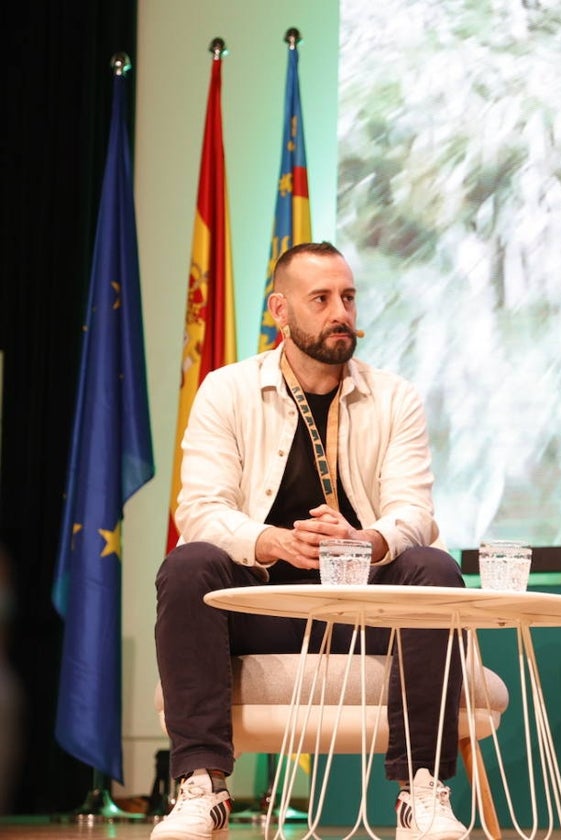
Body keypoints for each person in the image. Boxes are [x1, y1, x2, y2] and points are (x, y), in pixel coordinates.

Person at [153, 241, 467, 840]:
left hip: (360, 606)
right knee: (189, 564)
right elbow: (199, 509)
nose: (339, 312)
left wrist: (366, 540)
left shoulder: (395, 397)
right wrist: (270, 542)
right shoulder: (227, 390)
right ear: (280, 310)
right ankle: (202, 786)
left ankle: (421, 790)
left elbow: (415, 513)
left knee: (433, 566)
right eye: (320, 299)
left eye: (347, 297)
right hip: (261, 604)